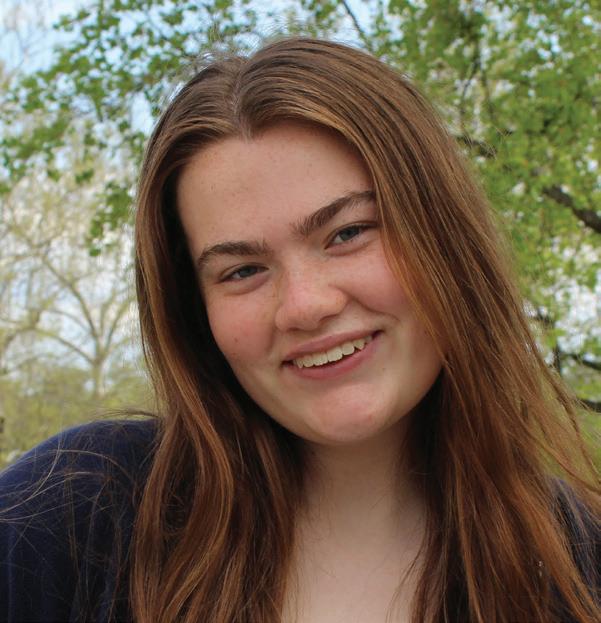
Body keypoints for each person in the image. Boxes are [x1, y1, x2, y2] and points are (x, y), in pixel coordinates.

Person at [0, 36, 599, 623]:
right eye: (242, 270)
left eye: (348, 233)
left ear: (444, 237)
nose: (305, 306)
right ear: (195, 312)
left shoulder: (580, 565)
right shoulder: (69, 519)